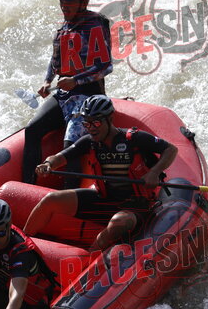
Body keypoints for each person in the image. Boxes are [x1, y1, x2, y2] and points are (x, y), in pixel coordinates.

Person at [23, 95, 178, 251]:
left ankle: (89, 257)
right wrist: (47, 164)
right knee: (51, 199)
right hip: (104, 198)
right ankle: (22, 244)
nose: (91, 128)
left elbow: (171, 149)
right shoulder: (89, 142)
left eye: (96, 123)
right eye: (86, 123)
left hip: (136, 205)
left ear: (110, 119)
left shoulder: (134, 138)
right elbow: (59, 157)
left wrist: (154, 172)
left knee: (119, 222)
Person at [22, 0, 114, 188]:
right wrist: (47, 81)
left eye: (69, 2)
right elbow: (55, 60)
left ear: (83, 3)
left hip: (88, 95)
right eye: (61, 2)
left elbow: (106, 66)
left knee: (69, 147)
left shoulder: (95, 25)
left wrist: (76, 80)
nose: (64, 6)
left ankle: (70, 195)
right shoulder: (64, 29)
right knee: (32, 130)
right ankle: (28, 184)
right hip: (64, 95)